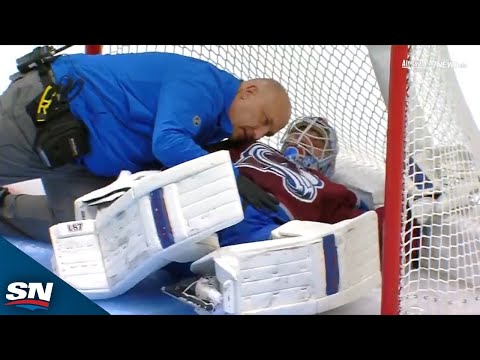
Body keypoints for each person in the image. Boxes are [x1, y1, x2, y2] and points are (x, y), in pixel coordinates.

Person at [0, 47, 291, 241]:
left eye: (268, 132)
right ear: (248, 92)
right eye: (264, 120)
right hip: (42, 116)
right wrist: (230, 176)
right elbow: (167, 143)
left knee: (85, 230)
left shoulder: (215, 127)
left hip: (78, 158)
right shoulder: (201, 84)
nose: (258, 132)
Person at [208, 116, 386, 250]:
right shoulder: (250, 146)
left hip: (262, 222)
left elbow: (368, 226)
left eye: (315, 141)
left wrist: (406, 211)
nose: (301, 142)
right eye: (296, 135)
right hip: (216, 194)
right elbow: (194, 150)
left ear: (329, 161)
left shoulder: (328, 188)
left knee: (271, 246)